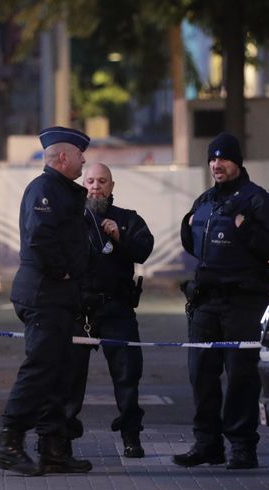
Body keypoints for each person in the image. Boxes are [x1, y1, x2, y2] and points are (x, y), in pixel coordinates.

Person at [174, 132, 269, 470]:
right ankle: (207, 444)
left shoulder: (257, 200)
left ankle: (242, 447)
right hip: (206, 301)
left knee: (241, 376)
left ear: (237, 162)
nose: (216, 164)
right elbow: (195, 244)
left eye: (222, 159)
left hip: (243, 302)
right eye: (212, 159)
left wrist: (246, 228)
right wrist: (186, 225)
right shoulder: (205, 200)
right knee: (201, 374)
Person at [0, 126, 93, 476]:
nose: (84, 160)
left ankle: (53, 448)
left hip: (57, 297)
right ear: (62, 157)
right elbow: (41, 238)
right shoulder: (45, 189)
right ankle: (9, 442)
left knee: (59, 372)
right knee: (40, 369)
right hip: (45, 294)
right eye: (80, 154)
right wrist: (62, 271)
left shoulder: (60, 189)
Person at [66, 163, 154, 459]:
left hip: (117, 309)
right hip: (80, 311)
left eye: (102, 181)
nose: (95, 186)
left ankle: (132, 436)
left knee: (127, 375)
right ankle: (62, 439)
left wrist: (120, 238)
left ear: (112, 186)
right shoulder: (72, 220)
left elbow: (143, 250)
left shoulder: (127, 219)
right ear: (83, 183)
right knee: (70, 378)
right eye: (90, 180)